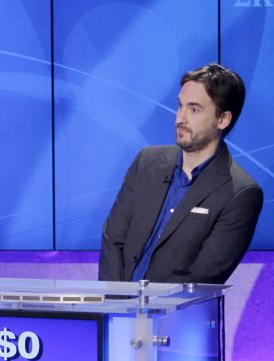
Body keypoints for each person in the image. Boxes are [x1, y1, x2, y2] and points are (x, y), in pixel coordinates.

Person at [98, 64, 263, 284]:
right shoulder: (146, 162)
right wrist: (117, 299)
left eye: (194, 109)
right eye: (180, 105)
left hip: (175, 307)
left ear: (223, 119)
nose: (180, 119)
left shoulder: (240, 193)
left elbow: (204, 277)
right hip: (118, 302)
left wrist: (147, 304)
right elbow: (113, 238)